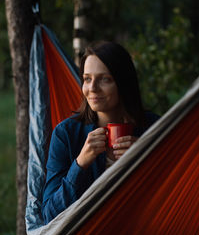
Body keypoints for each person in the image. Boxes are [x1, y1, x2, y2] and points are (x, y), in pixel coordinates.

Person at [42, 41, 159, 224]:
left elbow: (174, 195)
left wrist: (147, 159)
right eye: (87, 79)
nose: (92, 88)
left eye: (104, 79)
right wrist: (80, 164)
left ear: (123, 83)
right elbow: (49, 215)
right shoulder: (66, 134)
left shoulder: (153, 129)